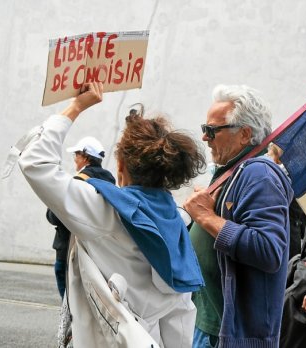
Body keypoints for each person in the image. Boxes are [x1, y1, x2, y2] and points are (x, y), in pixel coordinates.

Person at [18, 82, 205, 347]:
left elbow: (34, 162)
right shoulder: (175, 219)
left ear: (120, 165)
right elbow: (180, 316)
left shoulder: (104, 210)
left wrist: (76, 106)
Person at [183, 84, 292, 347]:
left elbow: (268, 250)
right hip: (209, 325)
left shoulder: (260, 175)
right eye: (204, 129)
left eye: (212, 130)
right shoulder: (234, 169)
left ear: (244, 134)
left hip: (228, 334)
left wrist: (206, 217)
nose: (205, 138)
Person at [46, 136, 115, 299]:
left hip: (70, 250)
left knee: (70, 303)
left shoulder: (76, 182)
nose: (75, 159)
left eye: (76, 155)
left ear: (85, 157)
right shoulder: (109, 182)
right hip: (100, 252)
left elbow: (53, 217)